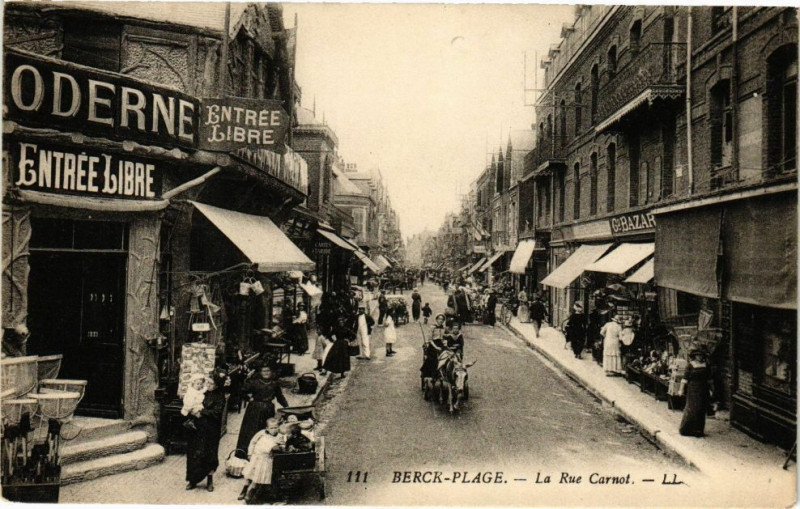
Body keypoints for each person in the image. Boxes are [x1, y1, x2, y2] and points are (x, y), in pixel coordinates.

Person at [235, 364, 289, 458]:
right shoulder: (254, 382)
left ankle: (264, 453)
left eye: (268, 371)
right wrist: (248, 399)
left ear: (271, 372)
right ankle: (247, 454)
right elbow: (241, 391)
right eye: (264, 371)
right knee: (251, 431)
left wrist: (287, 407)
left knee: (266, 431)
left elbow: (280, 397)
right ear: (260, 372)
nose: (266, 373)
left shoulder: (274, 384)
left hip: (268, 410)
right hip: (254, 410)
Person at [185, 373, 227, 492]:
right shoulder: (201, 392)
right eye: (206, 382)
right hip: (198, 428)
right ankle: (192, 480)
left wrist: (202, 411)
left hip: (211, 430)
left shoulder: (220, 396)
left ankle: (209, 480)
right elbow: (191, 403)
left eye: (210, 383)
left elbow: (216, 413)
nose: (207, 385)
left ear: (217, 385)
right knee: (194, 453)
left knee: (210, 454)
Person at [239, 418, 284, 501]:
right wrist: (249, 453)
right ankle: (245, 489)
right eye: (271, 428)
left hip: (266, 460)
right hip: (256, 457)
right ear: (267, 428)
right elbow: (253, 442)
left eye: (275, 427)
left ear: (278, 427)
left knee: (257, 476)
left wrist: (280, 447)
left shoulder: (280, 436)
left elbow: (282, 445)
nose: (274, 430)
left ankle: (250, 492)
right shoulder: (261, 433)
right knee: (250, 474)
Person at [679, 348, 712, 437]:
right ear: (695, 356)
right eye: (698, 355)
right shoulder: (690, 365)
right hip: (693, 389)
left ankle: (699, 431)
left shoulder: (706, 365)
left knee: (701, 409)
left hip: (703, 389)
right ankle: (686, 430)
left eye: (701, 355)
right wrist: (681, 389)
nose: (699, 357)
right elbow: (685, 379)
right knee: (692, 409)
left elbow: (709, 379)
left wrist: (711, 389)